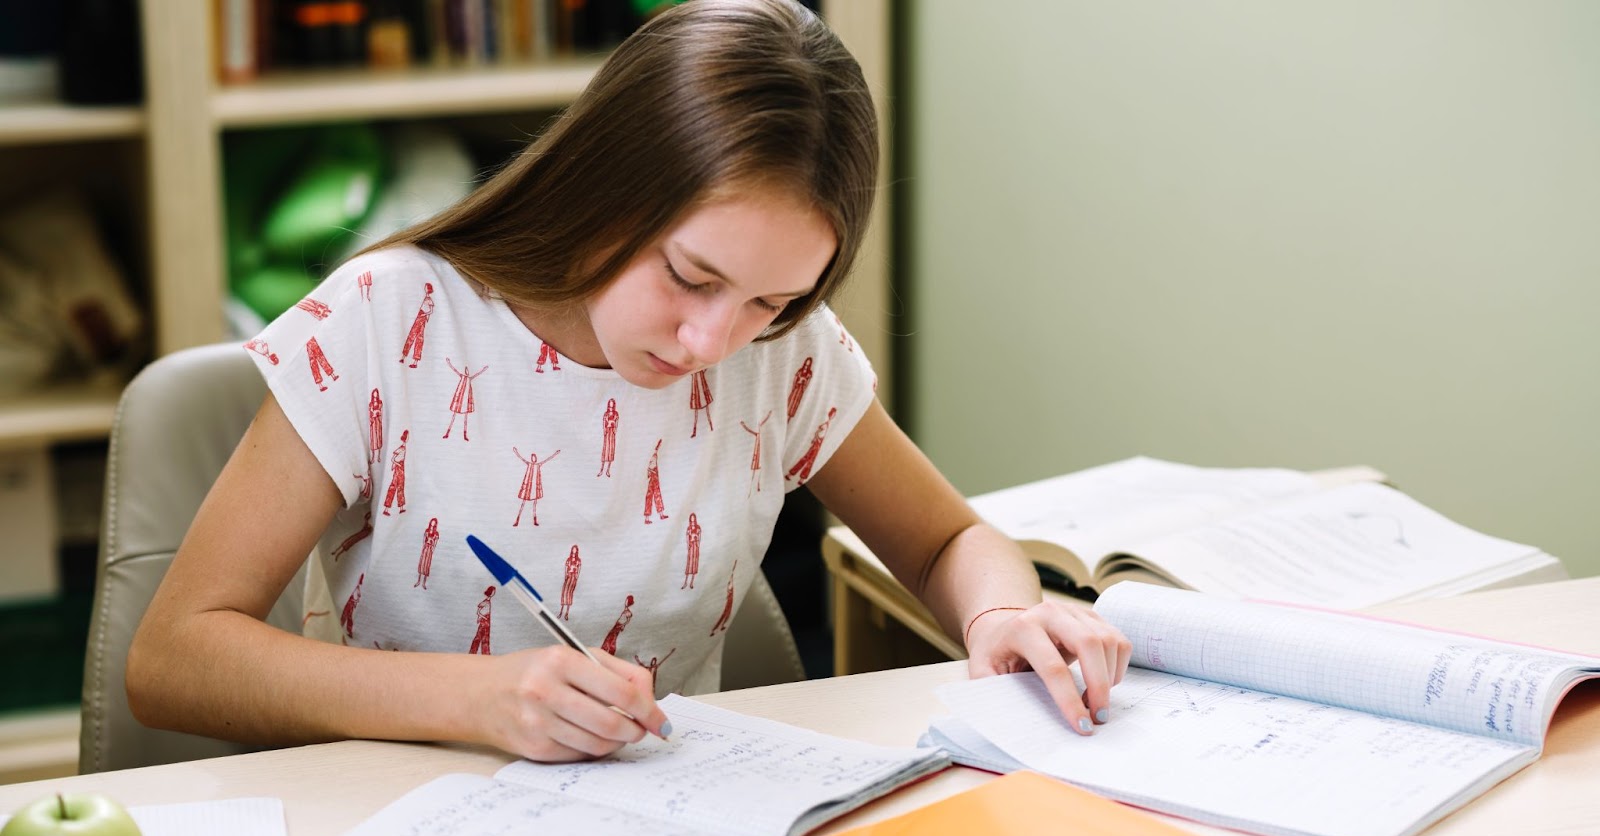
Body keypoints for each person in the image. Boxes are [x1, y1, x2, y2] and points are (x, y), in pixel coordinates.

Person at [127, 0, 1129, 767]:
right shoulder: (390, 324)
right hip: (404, 813)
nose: (710, 340)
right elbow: (174, 659)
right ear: (605, 187)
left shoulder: (782, 355)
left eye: (769, 301)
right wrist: (476, 699)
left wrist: (1001, 613)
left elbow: (948, 537)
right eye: (691, 277)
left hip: (663, 833)